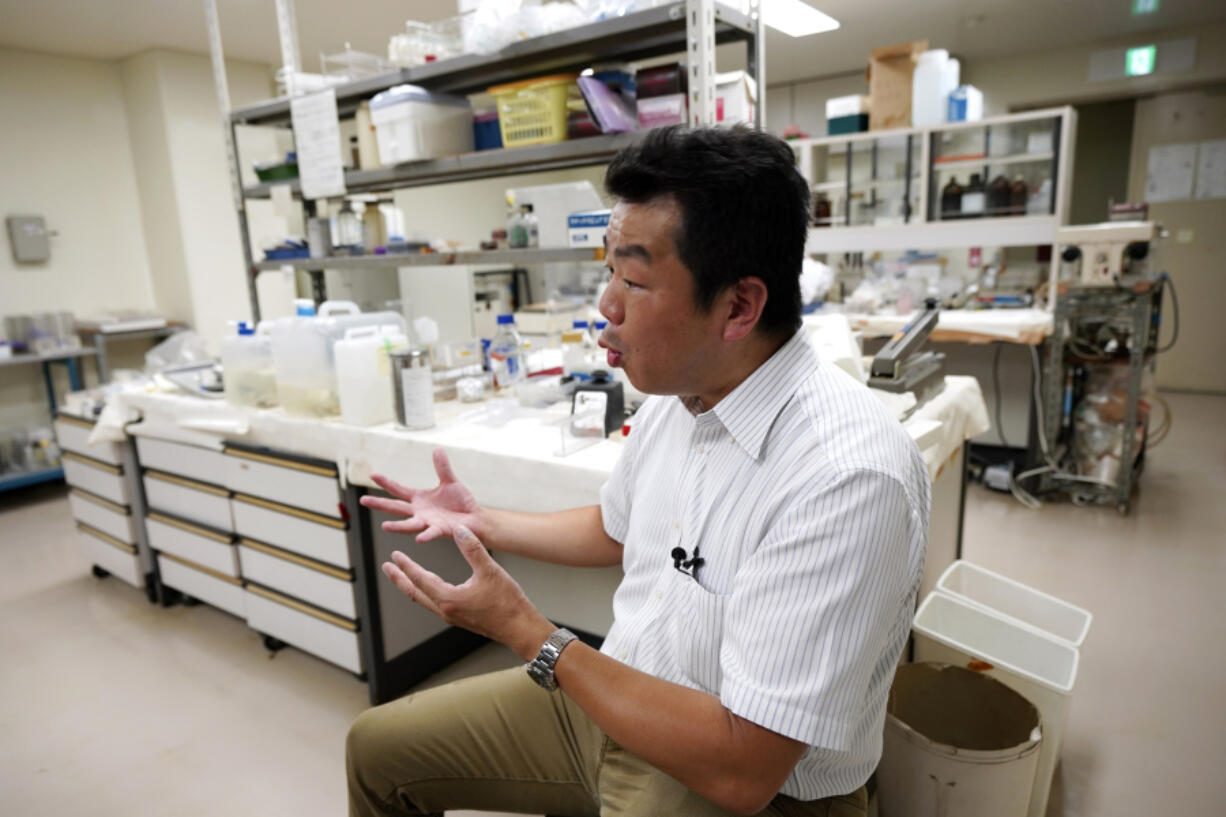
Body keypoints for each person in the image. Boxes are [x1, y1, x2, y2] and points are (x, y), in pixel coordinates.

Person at [346, 125, 930, 817]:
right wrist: (485, 522)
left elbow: (745, 766)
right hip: (614, 692)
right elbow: (617, 526)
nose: (606, 304)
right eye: (608, 270)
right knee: (375, 748)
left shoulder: (848, 476)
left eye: (634, 278)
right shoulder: (680, 392)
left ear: (739, 306)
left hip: (745, 775)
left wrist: (531, 633)